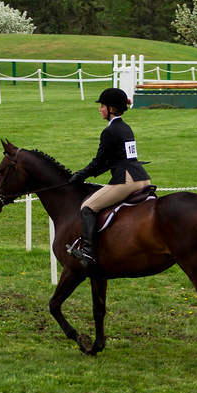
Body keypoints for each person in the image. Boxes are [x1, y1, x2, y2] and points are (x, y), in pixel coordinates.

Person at [67, 87, 151, 267]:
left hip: (127, 180)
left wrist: (79, 176)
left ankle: (88, 254)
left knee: (88, 206)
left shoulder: (110, 131)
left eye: (102, 106)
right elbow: (111, 160)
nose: (99, 109)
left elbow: (99, 162)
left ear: (111, 109)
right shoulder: (125, 127)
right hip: (142, 178)